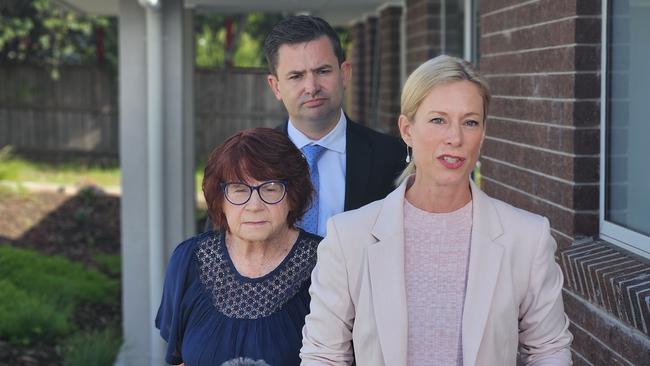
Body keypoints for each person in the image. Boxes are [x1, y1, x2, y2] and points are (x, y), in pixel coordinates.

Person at [300, 55, 573, 365]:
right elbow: (323, 355)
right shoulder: (349, 236)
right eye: (438, 120)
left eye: (470, 122)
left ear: (482, 134)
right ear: (407, 130)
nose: (455, 138)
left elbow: (548, 349)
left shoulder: (527, 236)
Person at [156, 128, 322, 366]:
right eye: (239, 189)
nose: (254, 205)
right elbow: (180, 361)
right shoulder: (189, 261)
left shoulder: (325, 265)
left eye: (270, 188)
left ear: (292, 196)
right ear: (220, 199)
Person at [263, 15, 406, 236]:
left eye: (322, 71)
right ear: (276, 87)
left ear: (344, 74)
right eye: (296, 76)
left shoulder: (394, 158)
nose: (311, 87)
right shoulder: (248, 160)